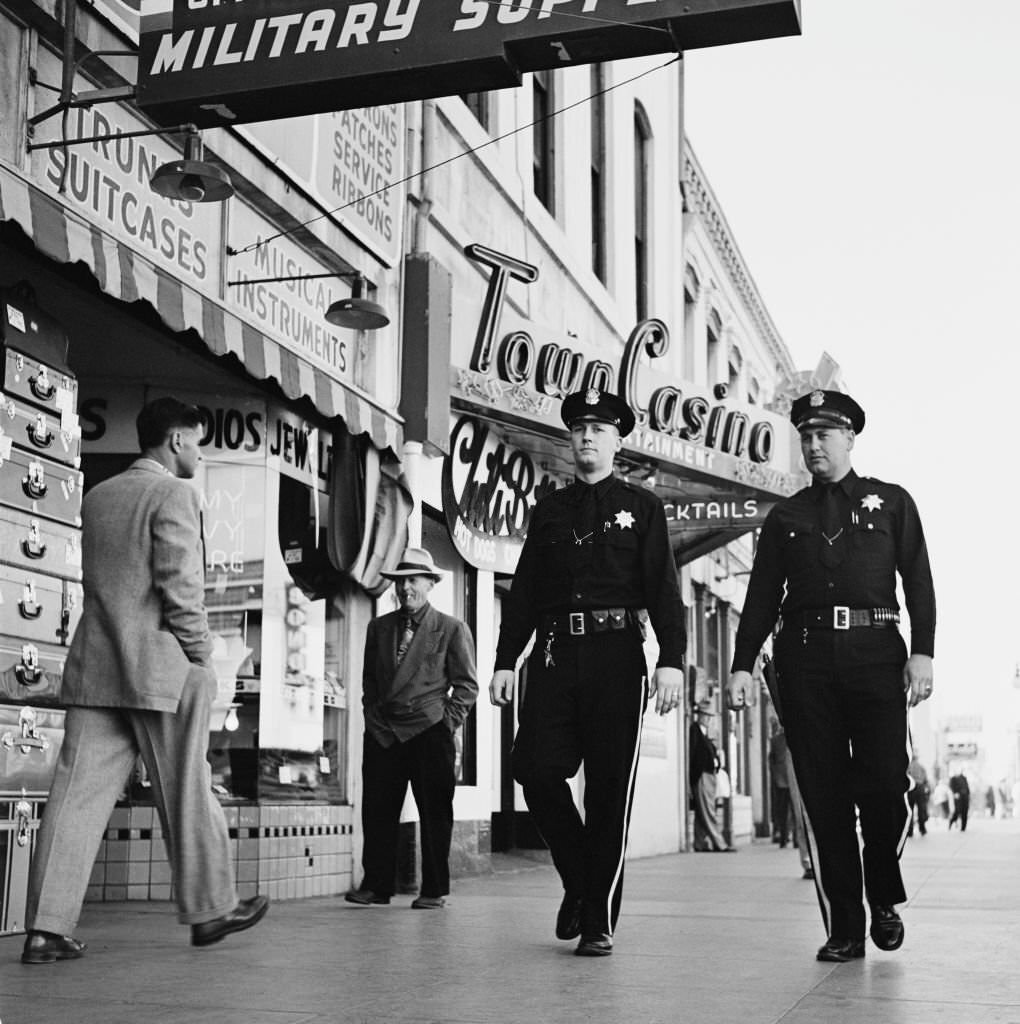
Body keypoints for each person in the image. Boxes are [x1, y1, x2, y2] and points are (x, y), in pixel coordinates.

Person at [21, 397, 269, 966]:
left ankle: (44, 929)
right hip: (158, 671)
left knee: (74, 801)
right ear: (177, 440)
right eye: (197, 442)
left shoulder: (99, 496)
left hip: (96, 670)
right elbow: (181, 590)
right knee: (188, 787)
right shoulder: (174, 495)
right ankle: (210, 911)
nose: (200, 454)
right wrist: (206, 659)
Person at [727, 389, 935, 964]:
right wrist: (742, 664)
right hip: (805, 659)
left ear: (849, 437)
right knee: (824, 798)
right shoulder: (786, 516)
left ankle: (883, 893)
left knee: (886, 784)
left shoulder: (891, 502)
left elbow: (917, 579)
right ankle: (845, 925)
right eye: (805, 437)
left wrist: (924, 652)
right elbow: (762, 596)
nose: (813, 446)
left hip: (876, 653)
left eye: (823, 435)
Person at [489, 387, 686, 958]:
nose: (586, 437)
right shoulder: (550, 509)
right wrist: (506, 658)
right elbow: (524, 591)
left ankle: (597, 918)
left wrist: (671, 658)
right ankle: (579, 880)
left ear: (617, 440)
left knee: (606, 793)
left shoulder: (643, 508)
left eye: (598, 429)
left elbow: (664, 591)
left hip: (617, 656)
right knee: (533, 769)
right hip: (553, 654)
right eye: (578, 428)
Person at [346, 547, 478, 910]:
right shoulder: (379, 627)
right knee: (377, 811)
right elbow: (370, 682)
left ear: (429, 584)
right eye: (401, 581)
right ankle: (376, 886)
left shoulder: (451, 628)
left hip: (429, 733)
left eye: (413, 580)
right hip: (383, 733)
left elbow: (467, 686)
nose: (406, 588)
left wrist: (444, 722)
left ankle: (434, 890)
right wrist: (372, 719)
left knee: (435, 814)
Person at [689, 703, 734, 852]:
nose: (708, 720)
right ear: (700, 716)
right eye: (706, 716)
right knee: (708, 810)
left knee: (703, 811)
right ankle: (720, 843)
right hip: (702, 776)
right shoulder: (695, 731)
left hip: (709, 775)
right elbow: (693, 755)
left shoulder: (704, 734)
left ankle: (699, 843)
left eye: (710, 717)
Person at [769, 724, 793, 848]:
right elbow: (771, 759)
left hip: (791, 780)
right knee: (783, 811)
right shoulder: (775, 740)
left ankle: (796, 841)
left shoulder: (794, 738)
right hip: (781, 780)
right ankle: (783, 838)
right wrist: (775, 775)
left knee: (794, 812)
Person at [906, 755, 929, 837]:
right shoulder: (921, 767)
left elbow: (906, 778)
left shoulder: (908, 767)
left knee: (910, 810)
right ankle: (922, 829)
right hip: (920, 788)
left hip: (912, 789)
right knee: (921, 810)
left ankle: (910, 831)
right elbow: (926, 780)